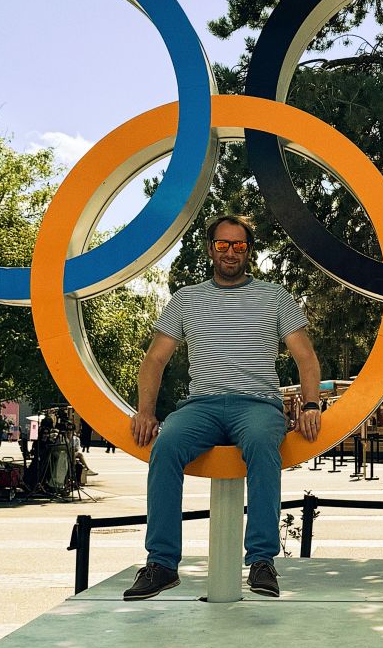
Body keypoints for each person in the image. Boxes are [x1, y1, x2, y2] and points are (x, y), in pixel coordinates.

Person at [125, 213, 322, 601]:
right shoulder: (186, 299)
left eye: (239, 245)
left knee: (265, 444)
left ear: (248, 250)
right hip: (202, 405)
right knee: (165, 447)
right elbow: (154, 360)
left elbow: (306, 356)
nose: (231, 252)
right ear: (210, 248)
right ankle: (162, 564)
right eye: (222, 244)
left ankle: (262, 561)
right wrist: (145, 411)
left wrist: (312, 404)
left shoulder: (274, 296)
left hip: (257, 405)